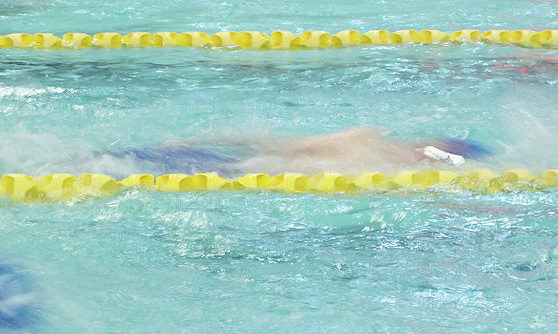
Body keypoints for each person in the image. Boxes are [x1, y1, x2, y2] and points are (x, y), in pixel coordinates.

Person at [100, 127, 491, 176]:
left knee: (108, 161)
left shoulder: (367, 139)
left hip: (221, 161)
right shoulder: (372, 153)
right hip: (229, 171)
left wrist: (200, 137)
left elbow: (266, 141)